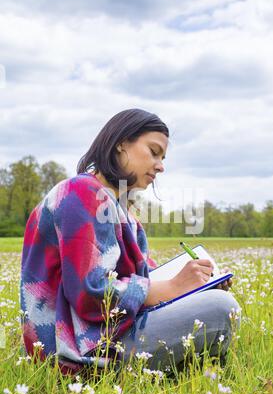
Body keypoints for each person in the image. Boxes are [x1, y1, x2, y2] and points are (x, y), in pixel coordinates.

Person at [20, 108, 241, 375]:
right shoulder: (81, 192)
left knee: (215, 301)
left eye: (163, 157)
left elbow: (148, 280)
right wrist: (172, 286)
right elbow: (91, 293)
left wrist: (193, 288)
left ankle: (186, 367)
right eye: (153, 151)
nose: (161, 166)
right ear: (120, 144)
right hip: (79, 350)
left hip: (106, 334)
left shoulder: (122, 211)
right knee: (222, 308)